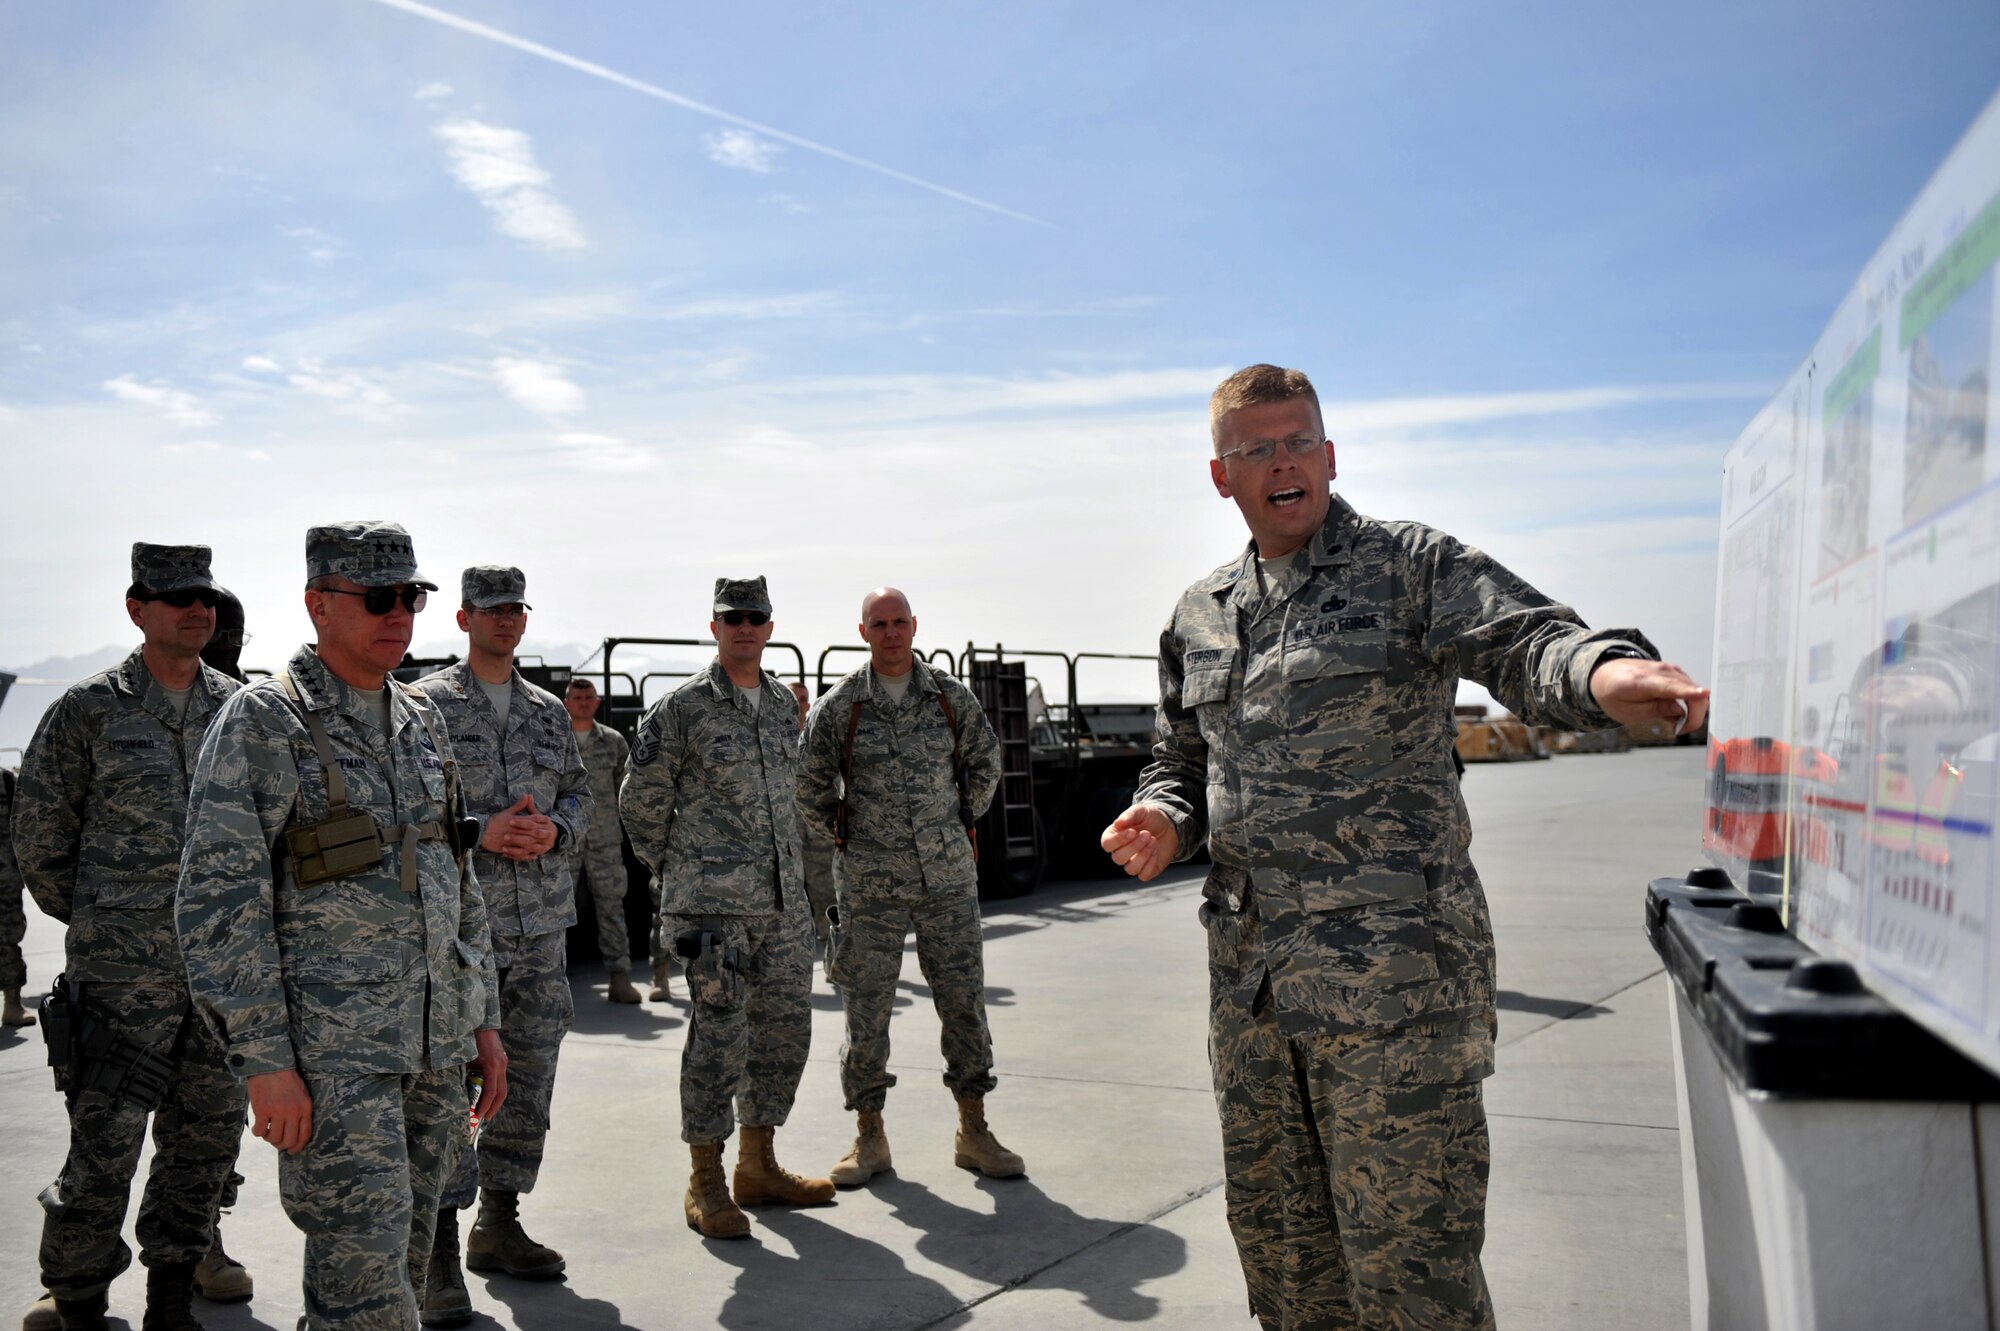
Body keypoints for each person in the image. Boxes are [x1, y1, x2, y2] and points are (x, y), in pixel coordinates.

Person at [1101, 365, 1710, 1331]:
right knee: (1291, 1275)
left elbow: (1527, 640)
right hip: (1254, 1003)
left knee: (1413, 1284)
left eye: (1298, 440)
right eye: (1255, 448)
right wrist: (1167, 817)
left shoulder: (1407, 565)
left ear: (1331, 455)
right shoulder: (1200, 612)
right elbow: (1180, 755)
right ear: (1223, 476)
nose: (1282, 462)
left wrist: (1606, 671)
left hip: (1397, 1003)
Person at [176, 521, 508, 1331]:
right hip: (333, 1060)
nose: (400, 614)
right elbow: (219, 901)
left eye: (411, 598)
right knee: (362, 1285)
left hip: (432, 1051)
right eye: (378, 598)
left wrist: (483, 1020)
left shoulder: (421, 719)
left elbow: (457, 877)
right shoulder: (268, 722)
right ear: (318, 604)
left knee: (400, 1263)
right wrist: (264, 1061)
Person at [13, 543, 250, 1331]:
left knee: (204, 1147)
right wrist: (106, 921)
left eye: (206, 597)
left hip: (219, 982)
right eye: (176, 595)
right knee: (103, 1152)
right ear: (136, 607)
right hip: (119, 985)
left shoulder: (237, 710)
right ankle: (78, 1299)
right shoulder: (88, 709)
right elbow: (42, 840)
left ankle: (171, 1300)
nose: (197, 609)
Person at [620, 576, 832, 1240]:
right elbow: (639, 804)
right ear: (713, 626)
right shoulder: (681, 707)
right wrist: (683, 873)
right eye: (732, 616)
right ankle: (705, 1181)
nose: (745, 626)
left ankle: (758, 1164)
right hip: (714, 912)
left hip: (782, 906)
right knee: (718, 1041)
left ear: (770, 627)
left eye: (756, 617)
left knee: (782, 1036)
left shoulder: (779, 705)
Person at [796, 587, 1022, 1186]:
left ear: (914, 626)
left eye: (900, 622)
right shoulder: (841, 707)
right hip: (869, 887)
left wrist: (956, 820)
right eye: (880, 623)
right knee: (865, 1012)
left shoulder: (950, 698)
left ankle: (973, 1129)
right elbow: (810, 785)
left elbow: (985, 763)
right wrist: (852, 838)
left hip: (946, 878)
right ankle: (869, 1137)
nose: (891, 632)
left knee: (963, 1003)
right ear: (863, 630)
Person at [413, 567, 589, 1322]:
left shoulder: (550, 712)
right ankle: (440, 1249)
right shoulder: (423, 706)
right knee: (451, 1084)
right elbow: (411, 811)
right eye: (493, 608)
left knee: (529, 1081)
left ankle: (500, 1219)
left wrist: (558, 828)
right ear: (463, 617)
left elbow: (580, 793)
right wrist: (478, 829)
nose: (507, 619)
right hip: (458, 934)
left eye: (517, 606)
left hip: (542, 928)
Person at [190, 584, 255, 1307]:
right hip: (132, 964)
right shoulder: (103, 708)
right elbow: (47, 845)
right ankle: (77, 1280)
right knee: (105, 1124)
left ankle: (201, 1243)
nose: (226, 648)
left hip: (230, 965)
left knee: (211, 1121)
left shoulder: (258, 713)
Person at [562, 677, 645, 1004]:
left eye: (589, 697)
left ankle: (619, 977)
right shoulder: (553, 739)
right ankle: (552, 982)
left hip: (605, 840)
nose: (583, 702)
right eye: (577, 697)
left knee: (612, 908)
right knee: (556, 912)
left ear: (597, 702)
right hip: (563, 841)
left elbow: (623, 790)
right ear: (566, 701)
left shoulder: (613, 742)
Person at [787, 681, 837, 964]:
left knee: (827, 899)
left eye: (803, 699)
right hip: (787, 835)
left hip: (816, 833)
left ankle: (833, 960)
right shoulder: (771, 737)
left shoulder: (817, 737)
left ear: (808, 704)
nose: (798, 704)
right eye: (793, 699)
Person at [1, 763, 33, 1028]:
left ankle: (12, 1004)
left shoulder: (5, 780)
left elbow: (23, 826)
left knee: (9, 938)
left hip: (5, 881)